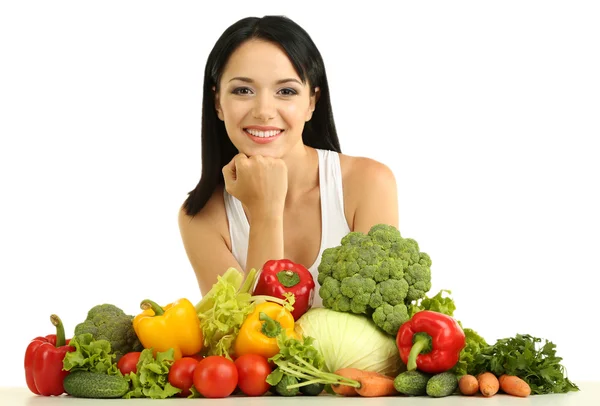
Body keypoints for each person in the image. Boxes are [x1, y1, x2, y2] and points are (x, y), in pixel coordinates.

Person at [178, 15, 399, 306]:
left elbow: (379, 330)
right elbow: (249, 336)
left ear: (311, 102)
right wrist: (265, 211)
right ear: (218, 102)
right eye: (243, 90)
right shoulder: (201, 217)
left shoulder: (368, 183)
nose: (264, 111)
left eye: (286, 91)